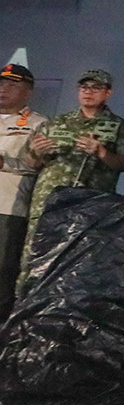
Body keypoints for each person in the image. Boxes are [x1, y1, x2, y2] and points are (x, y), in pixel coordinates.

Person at [20, 70, 124, 288]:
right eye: (84, 88)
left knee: (79, 265)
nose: (88, 92)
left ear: (108, 93)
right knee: (34, 260)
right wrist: (36, 152)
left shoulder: (118, 126)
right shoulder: (56, 122)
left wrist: (101, 152)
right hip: (47, 204)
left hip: (89, 207)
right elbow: (30, 163)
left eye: (95, 88)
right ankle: (24, 310)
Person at [0, 64, 47, 319]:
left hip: (8, 208)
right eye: (1, 83)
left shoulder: (38, 124)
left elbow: (40, 166)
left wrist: (5, 163)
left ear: (28, 92)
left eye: (12, 85)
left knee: (3, 271)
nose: (3, 89)